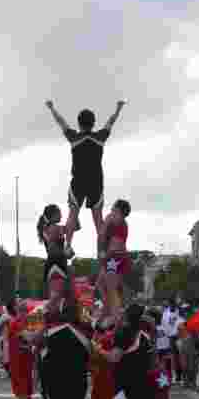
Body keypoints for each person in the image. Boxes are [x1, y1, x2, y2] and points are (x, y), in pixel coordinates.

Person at [46, 99, 126, 256]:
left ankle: (68, 245)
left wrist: (52, 108)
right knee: (98, 220)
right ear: (94, 123)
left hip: (78, 182)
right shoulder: (100, 137)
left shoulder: (74, 138)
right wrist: (118, 109)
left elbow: (61, 122)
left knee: (73, 215)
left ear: (79, 123)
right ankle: (104, 250)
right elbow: (111, 122)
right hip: (96, 182)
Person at [38, 278, 93, 399]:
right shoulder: (86, 332)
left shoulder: (47, 332)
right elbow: (92, 353)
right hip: (78, 380)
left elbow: (34, 344)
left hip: (52, 380)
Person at [7, 299, 40, 399]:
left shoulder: (21, 322)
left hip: (24, 367)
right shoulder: (17, 323)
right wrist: (44, 329)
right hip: (19, 368)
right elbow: (30, 338)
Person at [98, 199, 132, 322]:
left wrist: (101, 253)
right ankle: (108, 311)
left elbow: (101, 234)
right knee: (101, 284)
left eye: (113, 207)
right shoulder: (124, 223)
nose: (111, 209)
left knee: (111, 289)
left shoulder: (112, 217)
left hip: (114, 256)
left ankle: (115, 317)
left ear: (118, 209)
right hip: (120, 256)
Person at [37, 204, 70, 305]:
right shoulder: (52, 228)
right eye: (59, 212)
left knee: (58, 297)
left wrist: (74, 212)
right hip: (56, 265)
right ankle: (39, 314)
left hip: (57, 264)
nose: (61, 215)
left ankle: (45, 314)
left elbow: (75, 226)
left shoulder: (55, 228)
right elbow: (52, 250)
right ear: (53, 215)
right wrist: (65, 252)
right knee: (56, 297)